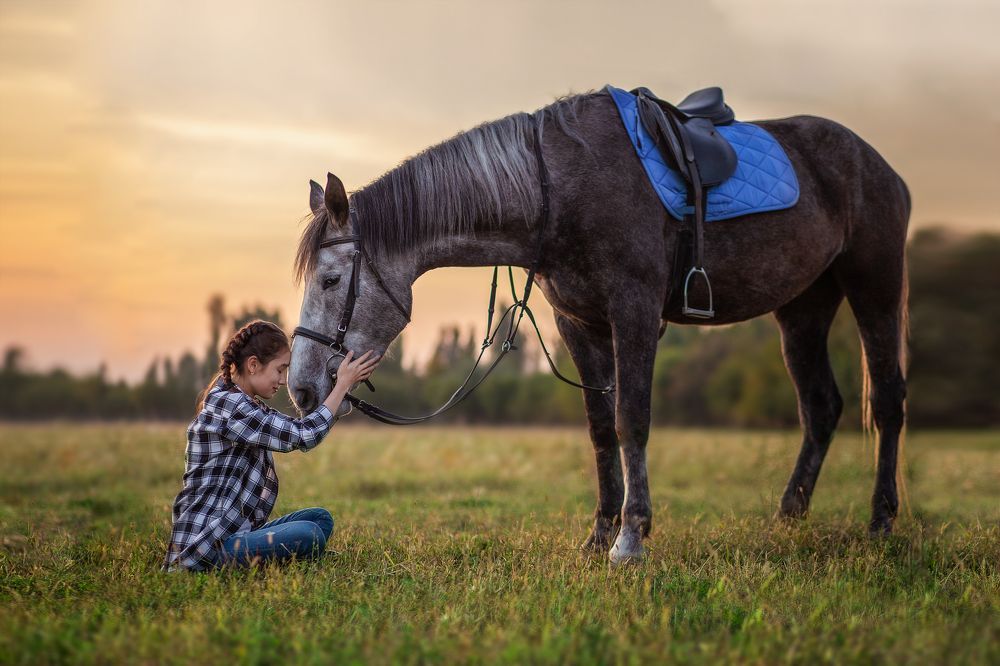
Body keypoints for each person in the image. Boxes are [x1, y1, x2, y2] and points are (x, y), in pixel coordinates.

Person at [162, 320, 378, 572]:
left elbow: (297, 428)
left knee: (320, 519)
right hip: (208, 547)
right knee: (310, 534)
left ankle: (291, 555)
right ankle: (291, 555)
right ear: (253, 365)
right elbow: (304, 434)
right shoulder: (231, 407)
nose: (282, 380)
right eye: (279, 370)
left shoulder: (242, 403)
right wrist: (342, 385)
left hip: (233, 531)